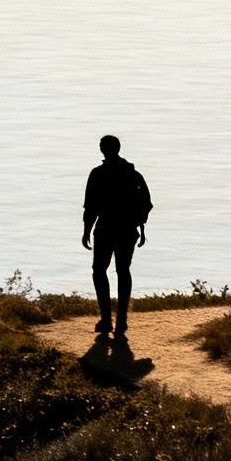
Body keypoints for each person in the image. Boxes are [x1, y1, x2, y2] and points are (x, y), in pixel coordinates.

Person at [82, 134, 152, 336]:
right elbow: (147, 203)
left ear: (102, 149)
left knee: (99, 270)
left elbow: (91, 207)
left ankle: (106, 319)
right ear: (118, 148)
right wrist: (140, 224)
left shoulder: (97, 174)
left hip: (105, 229)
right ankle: (121, 321)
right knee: (123, 270)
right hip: (128, 230)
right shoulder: (133, 174)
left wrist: (86, 231)